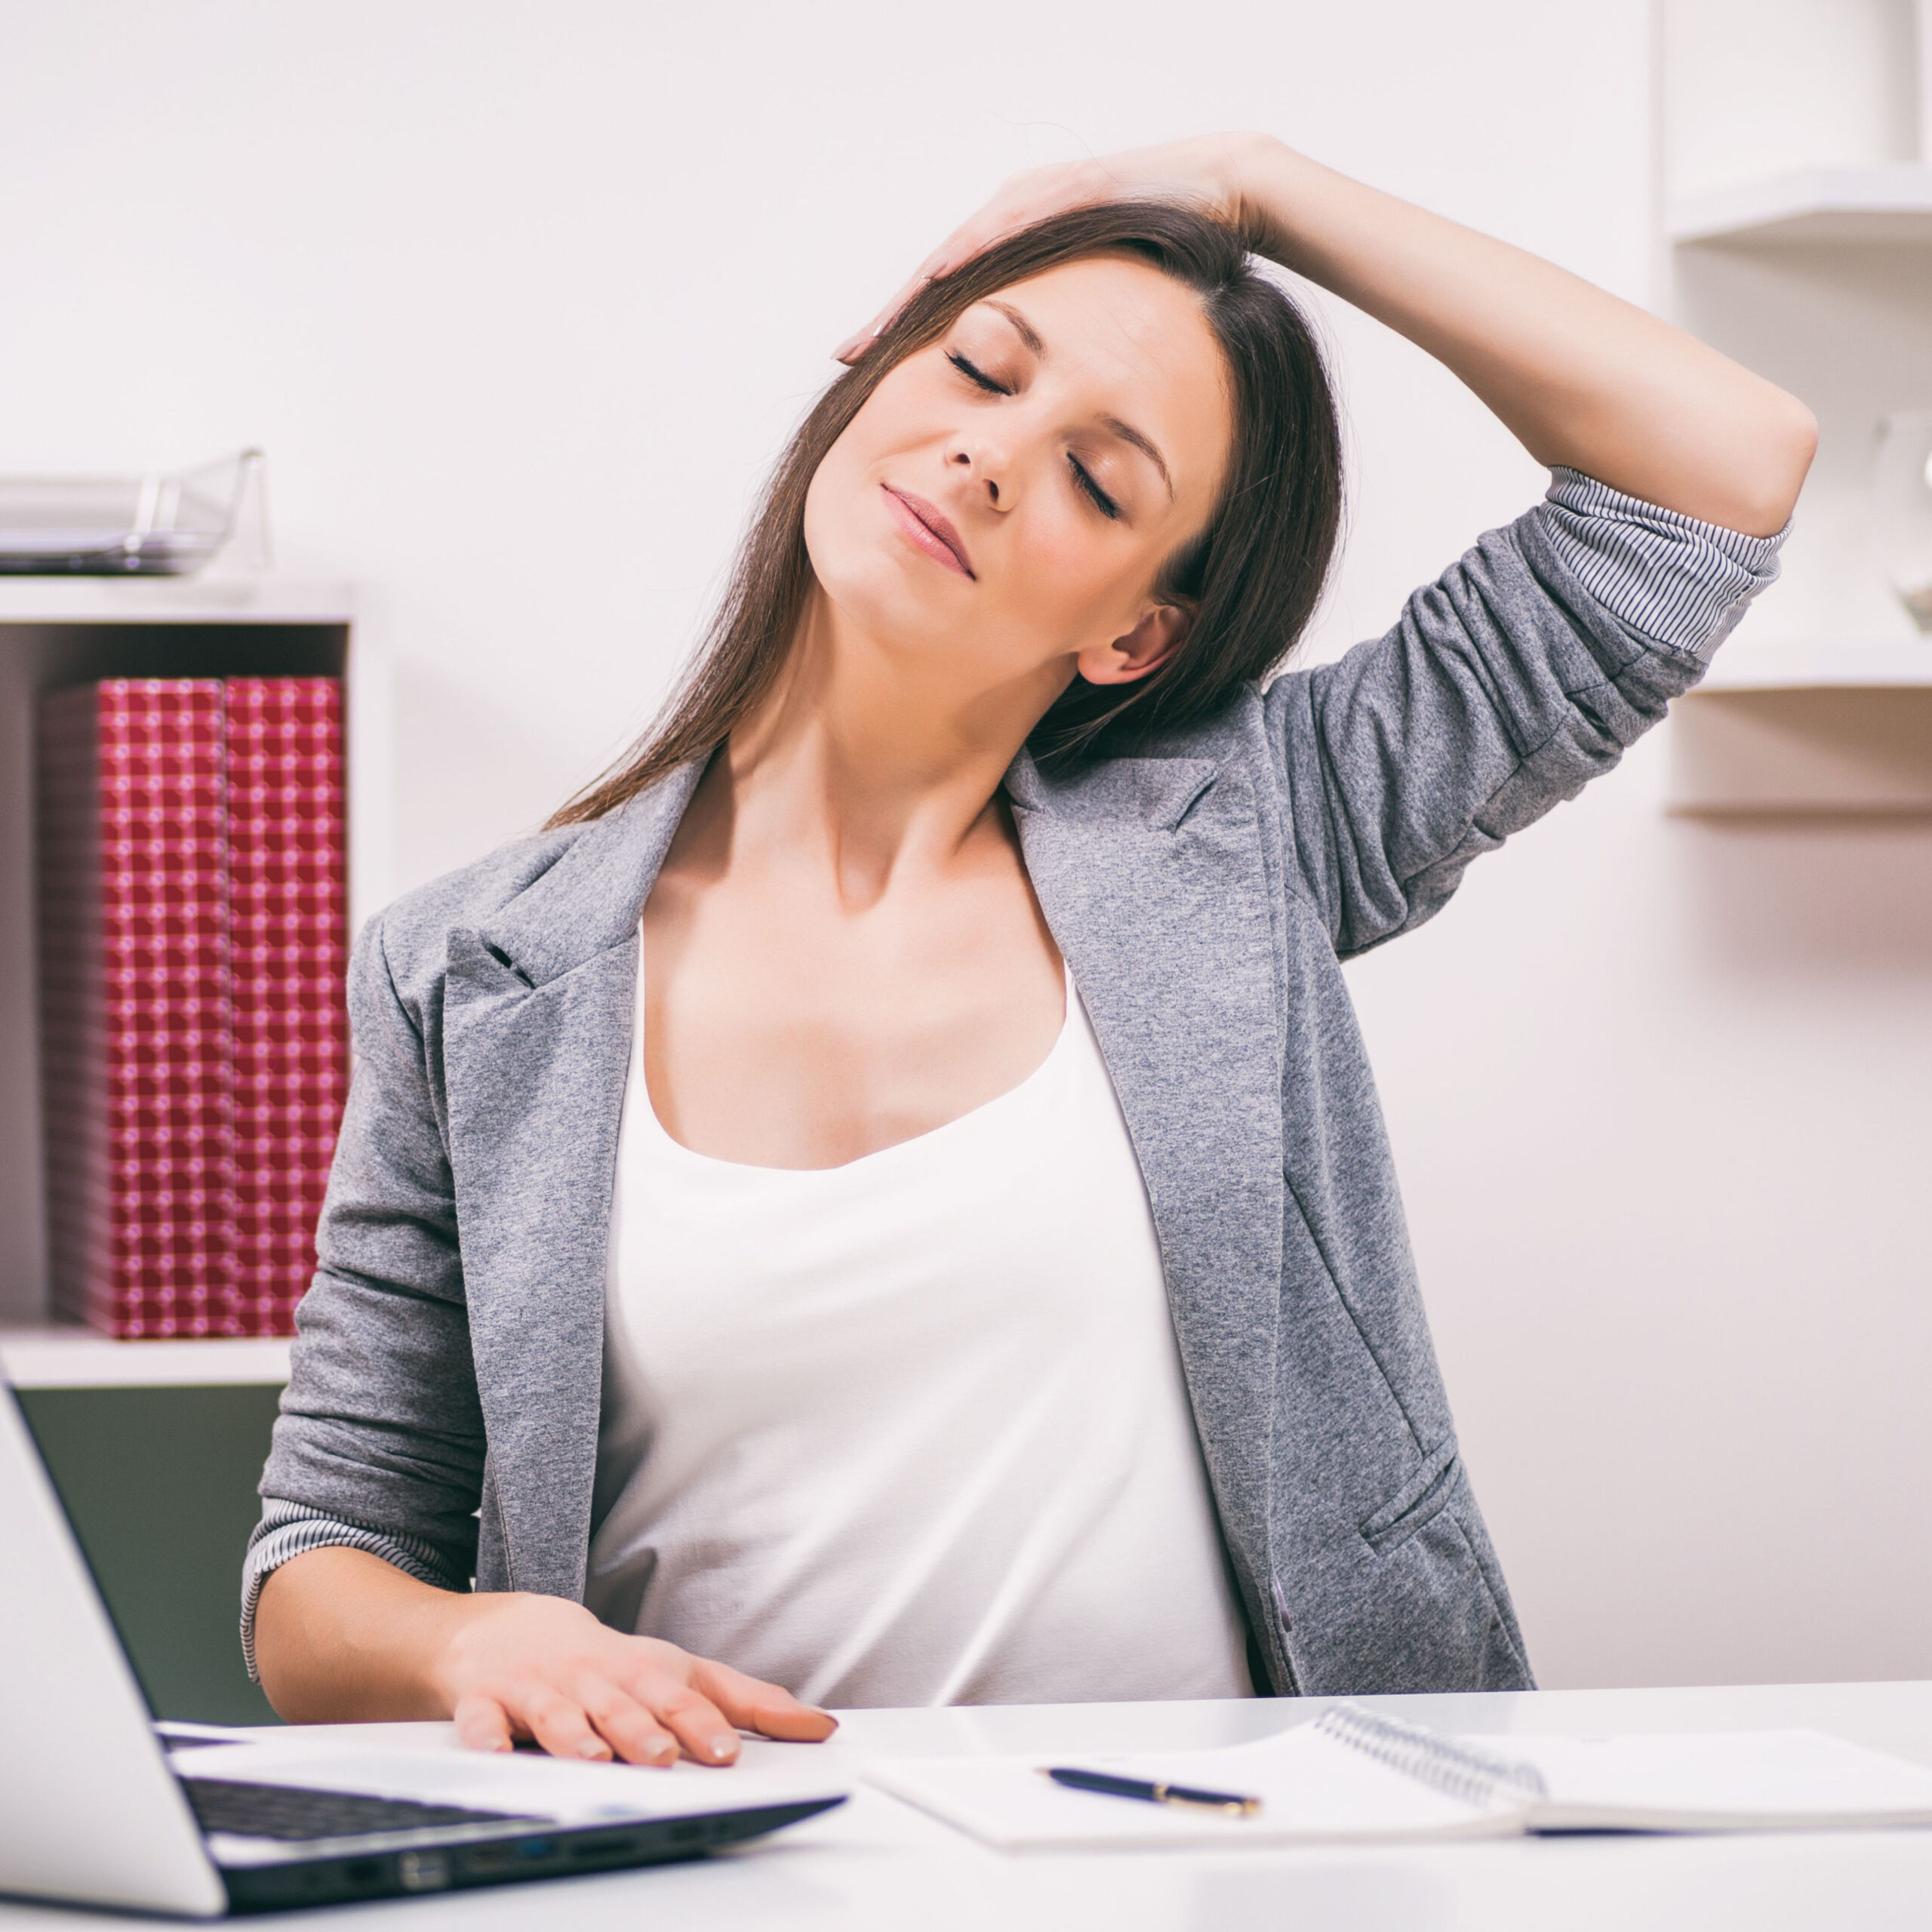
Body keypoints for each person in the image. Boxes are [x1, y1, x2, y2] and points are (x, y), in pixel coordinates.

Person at [247, 134, 1815, 1769]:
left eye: (1097, 478)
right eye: (979, 370)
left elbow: (1716, 468)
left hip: (1239, 1865)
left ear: (1135, 628)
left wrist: (1254, 186)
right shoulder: (475, 968)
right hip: (727, 1862)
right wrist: (471, 1630)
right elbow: (314, 1572)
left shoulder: (1262, 828)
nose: (988, 455)